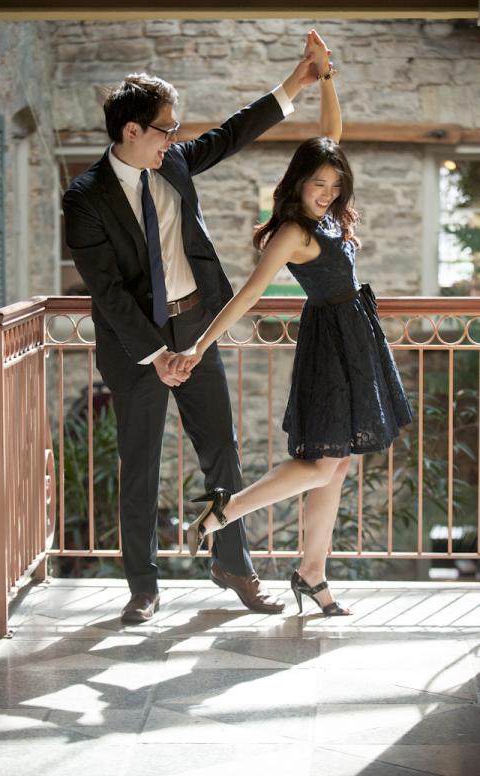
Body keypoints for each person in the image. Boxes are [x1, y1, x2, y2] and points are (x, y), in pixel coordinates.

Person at [62, 31, 330, 624]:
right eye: (165, 128)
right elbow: (105, 290)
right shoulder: (83, 198)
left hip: (196, 329)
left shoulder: (175, 163)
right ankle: (142, 586)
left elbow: (231, 133)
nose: (175, 138)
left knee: (222, 456)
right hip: (138, 349)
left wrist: (297, 82)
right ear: (131, 130)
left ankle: (233, 566)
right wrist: (156, 353)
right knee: (140, 463)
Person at [172, 34, 413, 617]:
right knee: (323, 462)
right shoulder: (291, 232)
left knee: (338, 461)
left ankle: (311, 575)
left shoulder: (327, 212)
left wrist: (325, 73)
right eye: (318, 185)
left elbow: (331, 126)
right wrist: (202, 344)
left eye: (335, 187)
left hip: (355, 337)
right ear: (298, 182)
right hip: (331, 347)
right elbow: (249, 295)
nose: (327, 195)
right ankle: (223, 512)